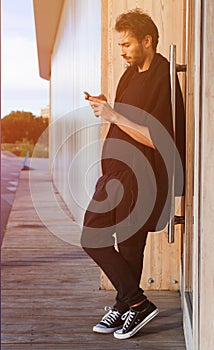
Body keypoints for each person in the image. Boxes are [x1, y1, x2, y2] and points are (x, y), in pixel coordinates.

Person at [81, 8, 185, 340]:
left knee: (120, 244)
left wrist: (113, 115)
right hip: (114, 173)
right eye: (120, 45)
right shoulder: (129, 73)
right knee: (102, 239)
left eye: (126, 44)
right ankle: (131, 303)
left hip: (141, 177)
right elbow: (125, 115)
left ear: (147, 41)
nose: (122, 51)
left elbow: (160, 139)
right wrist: (107, 105)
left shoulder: (163, 79)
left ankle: (131, 304)